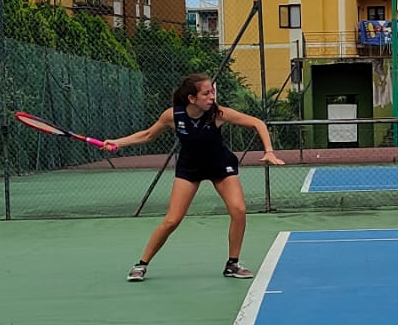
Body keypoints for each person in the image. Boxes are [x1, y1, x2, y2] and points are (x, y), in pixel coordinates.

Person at [108, 73, 284, 281]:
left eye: (213, 92)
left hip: (220, 166)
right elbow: (148, 135)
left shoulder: (218, 113)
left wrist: (269, 150)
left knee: (239, 210)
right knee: (172, 220)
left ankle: (232, 264)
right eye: (206, 93)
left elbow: (257, 123)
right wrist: (118, 142)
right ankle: (141, 264)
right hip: (190, 169)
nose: (212, 97)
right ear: (192, 98)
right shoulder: (173, 116)